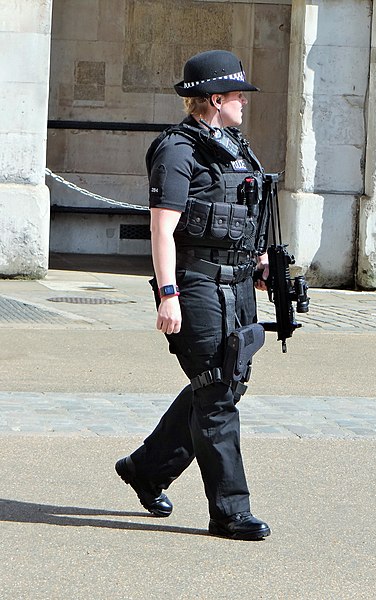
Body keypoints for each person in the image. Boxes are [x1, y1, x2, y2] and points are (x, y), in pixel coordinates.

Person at [115, 50, 271, 540]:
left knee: (223, 385)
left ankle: (146, 469)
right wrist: (167, 294)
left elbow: (245, 213)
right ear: (215, 98)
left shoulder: (236, 147)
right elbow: (162, 229)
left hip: (239, 283)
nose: (245, 102)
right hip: (198, 286)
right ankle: (230, 511)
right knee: (217, 393)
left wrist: (261, 260)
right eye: (238, 95)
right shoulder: (177, 150)